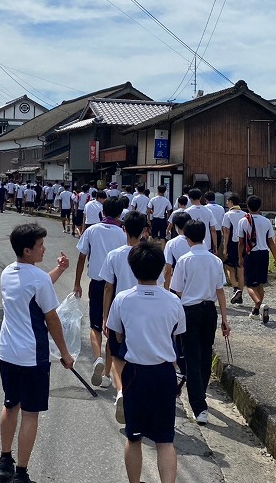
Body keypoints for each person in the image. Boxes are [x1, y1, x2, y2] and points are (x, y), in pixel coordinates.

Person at [0, 223, 74, 483]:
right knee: (30, 413)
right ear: (27, 251)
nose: (44, 249)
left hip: (7, 352)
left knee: (10, 404)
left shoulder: (8, 272)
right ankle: (21, 474)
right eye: (40, 245)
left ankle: (5, 459)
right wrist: (65, 353)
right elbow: (52, 320)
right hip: (32, 355)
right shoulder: (37, 278)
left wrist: (59, 270)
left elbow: (36, 288)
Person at [105, 242, 186, 483]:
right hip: (164, 373)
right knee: (165, 440)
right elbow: (176, 332)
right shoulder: (172, 300)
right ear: (162, 268)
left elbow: (116, 336)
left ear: (132, 269)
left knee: (133, 437)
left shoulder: (123, 299)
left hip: (135, 374)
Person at [170, 218, 231, 425]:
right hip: (209, 311)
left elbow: (177, 292)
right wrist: (224, 318)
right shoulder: (215, 261)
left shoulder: (184, 260)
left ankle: (199, 405)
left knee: (191, 356)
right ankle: (200, 396)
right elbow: (220, 291)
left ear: (187, 238)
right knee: (205, 354)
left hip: (188, 310)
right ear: (204, 235)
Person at [102, 212, 156, 424]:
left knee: (117, 356)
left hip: (121, 308)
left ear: (123, 229)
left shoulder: (114, 255)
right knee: (143, 353)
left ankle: (122, 391)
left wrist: (106, 316)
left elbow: (108, 287)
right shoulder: (151, 254)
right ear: (144, 230)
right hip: (146, 309)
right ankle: (142, 395)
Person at [73, 196, 127, 389]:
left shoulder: (92, 231)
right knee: (112, 329)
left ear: (102, 213)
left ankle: (97, 359)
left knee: (95, 326)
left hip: (97, 283)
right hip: (116, 285)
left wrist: (77, 282)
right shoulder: (122, 234)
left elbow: (81, 257)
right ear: (120, 213)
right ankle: (106, 374)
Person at [236, 195, 276, 321]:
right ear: (260, 206)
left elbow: (241, 242)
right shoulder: (266, 221)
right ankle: (256, 310)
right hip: (263, 253)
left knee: (250, 285)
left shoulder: (243, 221)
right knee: (260, 283)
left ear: (247, 207)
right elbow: (271, 242)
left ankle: (259, 304)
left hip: (251, 254)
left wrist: (240, 257)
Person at [220, 194, 244, 304]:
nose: (226, 203)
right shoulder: (245, 214)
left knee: (229, 267)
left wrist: (225, 247)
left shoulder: (228, 214)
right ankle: (241, 294)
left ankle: (235, 288)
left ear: (231, 202)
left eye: (227, 201)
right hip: (243, 243)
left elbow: (226, 232)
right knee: (240, 268)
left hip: (232, 243)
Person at [163, 211, 193, 290]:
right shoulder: (199, 241)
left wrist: (166, 289)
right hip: (195, 282)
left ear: (176, 226)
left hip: (177, 283)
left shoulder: (171, 243)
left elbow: (168, 269)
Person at [184, 188, 219, 254]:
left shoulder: (186, 212)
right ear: (200, 197)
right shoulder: (208, 211)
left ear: (190, 198)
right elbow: (213, 230)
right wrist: (215, 246)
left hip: (191, 243)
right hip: (206, 243)